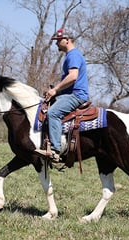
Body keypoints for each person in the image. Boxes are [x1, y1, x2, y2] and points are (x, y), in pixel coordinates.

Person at [35, 28, 89, 162]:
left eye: (58, 40)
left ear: (67, 40)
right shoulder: (70, 55)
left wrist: (55, 90)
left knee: (52, 113)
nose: (56, 44)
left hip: (77, 95)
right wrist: (55, 91)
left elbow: (73, 76)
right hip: (71, 94)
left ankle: (55, 150)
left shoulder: (73, 55)